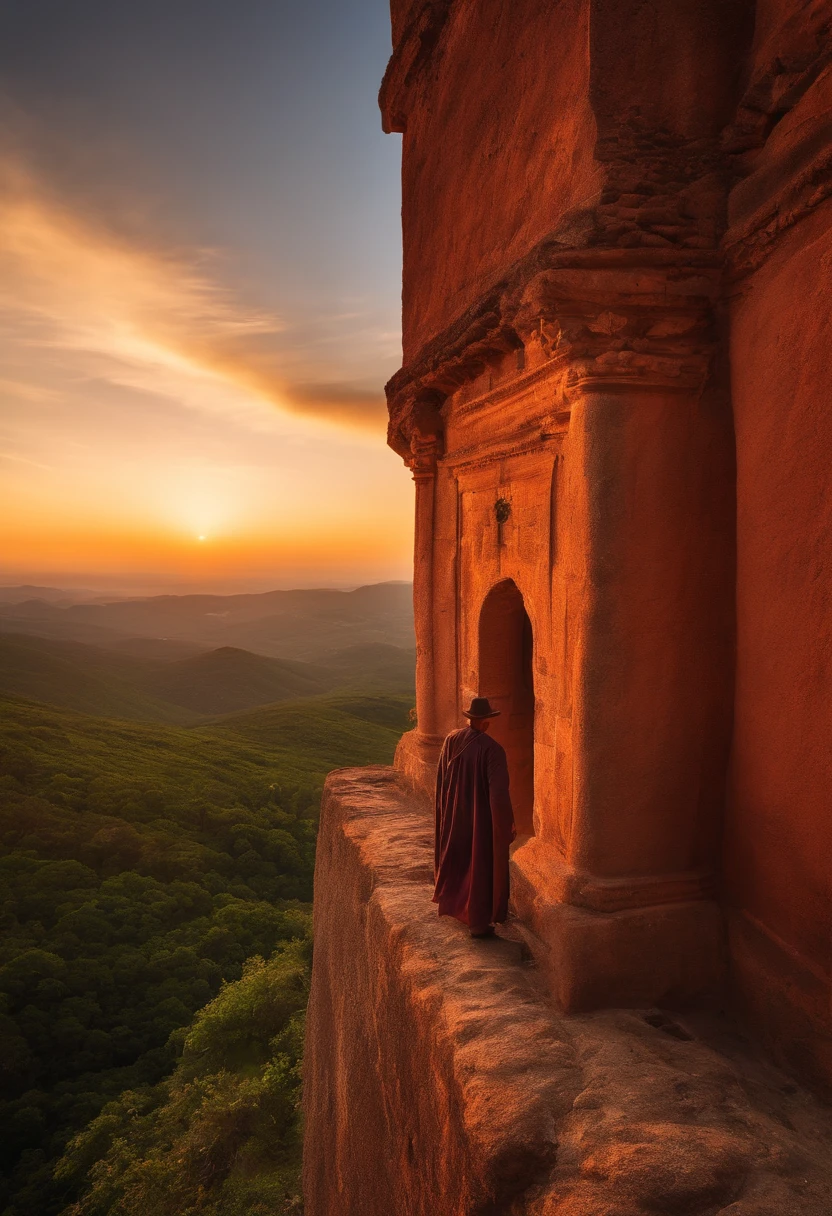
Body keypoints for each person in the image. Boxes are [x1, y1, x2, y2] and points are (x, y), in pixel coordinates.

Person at [433, 696, 516, 938]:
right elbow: (498, 794)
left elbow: (442, 777)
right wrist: (505, 825)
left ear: (470, 719)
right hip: (479, 818)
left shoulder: (452, 739)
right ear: (487, 721)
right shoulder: (492, 750)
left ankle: (458, 908)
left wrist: (444, 810)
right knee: (479, 865)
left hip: (455, 812)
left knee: (459, 859)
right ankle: (478, 922)